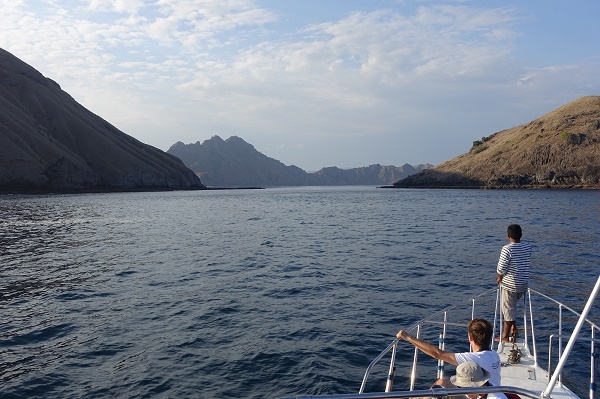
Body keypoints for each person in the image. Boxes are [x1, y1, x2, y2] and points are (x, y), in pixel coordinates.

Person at [396, 318, 501, 387]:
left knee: (441, 383)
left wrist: (409, 338)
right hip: (490, 392)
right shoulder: (495, 355)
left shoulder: (475, 359)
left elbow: (437, 354)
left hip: (480, 396)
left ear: (470, 337)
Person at [496, 224, 531, 342]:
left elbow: (501, 268)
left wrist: (500, 277)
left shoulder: (507, 249)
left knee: (508, 309)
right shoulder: (527, 247)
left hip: (510, 285)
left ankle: (505, 337)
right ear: (521, 235)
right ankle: (514, 329)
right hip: (523, 284)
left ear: (508, 236)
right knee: (511, 307)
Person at [441, 361, 507, 399]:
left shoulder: (496, 398)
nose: (461, 389)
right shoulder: (486, 390)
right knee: (443, 383)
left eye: (464, 387)